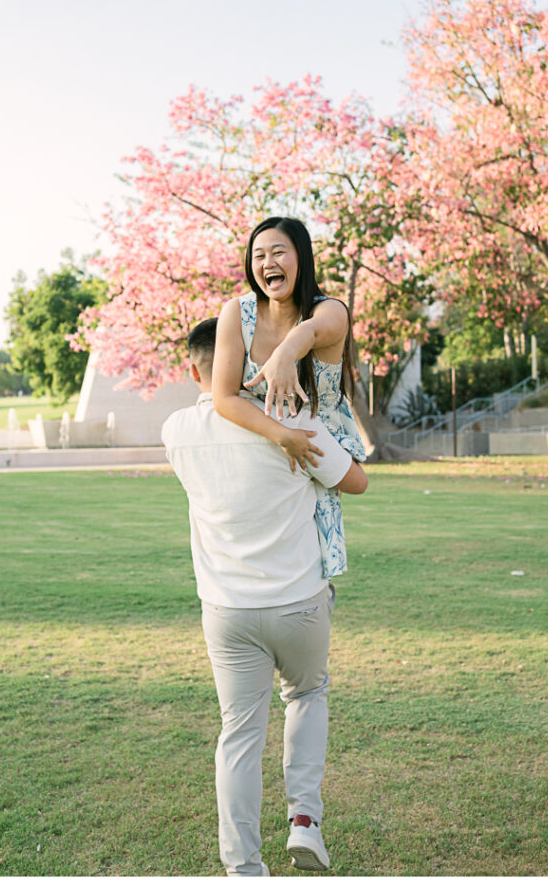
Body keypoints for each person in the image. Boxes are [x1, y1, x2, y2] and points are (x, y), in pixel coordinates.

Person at [161, 317, 367, 877]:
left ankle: (243, 868)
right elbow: (356, 481)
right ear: (250, 357)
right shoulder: (290, 420)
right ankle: (304, 820)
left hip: (227, 609)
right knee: (306, 696)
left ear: (193, 367)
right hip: (299, 600)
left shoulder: (176, 429)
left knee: (239, 734)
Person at [212, 216, 366, 578]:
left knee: (308, 557)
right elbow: (223, 397)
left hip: (317, 438)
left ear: (302, 258)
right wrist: (282, 436)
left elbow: (311, 332)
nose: (268, 263)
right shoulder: (237, 312)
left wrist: (285, 353)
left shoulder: (330, 310)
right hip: (266, 442)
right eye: (258, 255)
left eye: (279, 252)